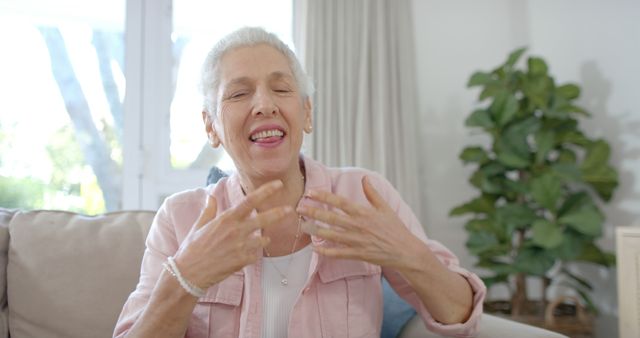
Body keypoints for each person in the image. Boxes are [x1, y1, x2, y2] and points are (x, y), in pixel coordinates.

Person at [114, 27, 486, 338]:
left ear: (306, 113)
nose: (265, 105)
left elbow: (460, 315)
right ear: (211, 126)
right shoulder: (180, 218)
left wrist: (408, 253)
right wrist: (186, 278)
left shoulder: (364, 194)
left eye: (281, 88)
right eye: (240, 93)